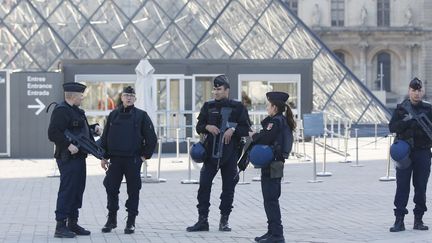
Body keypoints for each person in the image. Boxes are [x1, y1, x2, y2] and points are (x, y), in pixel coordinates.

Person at [186, 75, 250, 232]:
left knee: (228, 189)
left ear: (227, 90)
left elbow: (246, 128)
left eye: (219, 89)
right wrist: (207, 127)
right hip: (210, 154)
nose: (215, 92)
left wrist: (233, 130)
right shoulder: (208, 106)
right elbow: (199, 126)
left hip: (230, 154)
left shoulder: (238, 107)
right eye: (214, 89)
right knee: (204, 187)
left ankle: (224, 221)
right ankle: (203, 221)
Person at [99, 86, 157, 234]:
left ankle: (131, 221)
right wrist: (103, 157)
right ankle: (111, 220)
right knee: (111, 188)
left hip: (133, 160)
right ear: (122, 97)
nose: (129, 98)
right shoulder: (113, 115)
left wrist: (144, 156)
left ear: (135, 98)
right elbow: (105, 137)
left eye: (131, 96)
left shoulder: (141, 115)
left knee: (133, 191)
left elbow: (151, 138)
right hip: (115, 160)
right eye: (126, 95)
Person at [48, 82, 102, 238]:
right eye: (81, 95)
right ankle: (60, 226)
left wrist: (92, 128)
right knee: (68, 190)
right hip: (67, 158)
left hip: (79, 157)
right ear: (72, 96)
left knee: (77, 189)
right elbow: (53, 133)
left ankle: (72, 223)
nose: (82, 98)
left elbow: (78, 131)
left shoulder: (76, 111)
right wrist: (68, 145)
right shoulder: (61, 111)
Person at [249, 91, 295, 243]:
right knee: (270, 199)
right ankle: (271, 232)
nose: (267, 108)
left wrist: (255, 136)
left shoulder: (275, 121)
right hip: (274, 164)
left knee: (271, 200)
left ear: (274, 107)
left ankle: (277, 235)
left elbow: (266, 137)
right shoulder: (279, 120)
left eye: (268, 105)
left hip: (272, 164)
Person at [389, 77, 432, 232]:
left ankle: (418, 220)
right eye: (414, 90)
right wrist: (408, 122)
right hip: (405, 154)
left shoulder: (429, 109)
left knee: (421, 187)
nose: (416, 93)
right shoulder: (401, 109)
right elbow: (392, 127)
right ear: (409, 91)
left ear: (423, 91)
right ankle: (399, 220)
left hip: (423, 152)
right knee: (402, 187)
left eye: (419, 90)